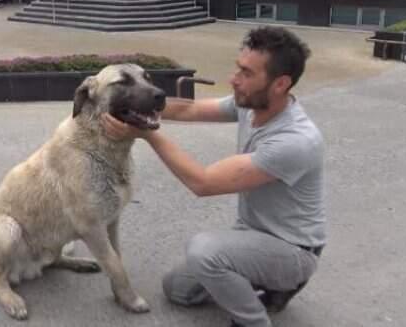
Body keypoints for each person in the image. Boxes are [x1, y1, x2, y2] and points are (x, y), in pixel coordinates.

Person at [103, 26, 325, 327]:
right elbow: (189, 111)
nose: (234, 79)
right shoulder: (250, 104)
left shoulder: (295, 141)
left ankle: (255, 319)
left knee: (205, 252)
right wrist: (140, 105)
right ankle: (270, 288)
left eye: (246, 73)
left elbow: (203, 182)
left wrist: (147, 134)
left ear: (280, 84)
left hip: (294, 250)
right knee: (177, 289)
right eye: (238, 68)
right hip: (253, 234)